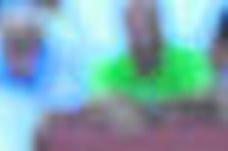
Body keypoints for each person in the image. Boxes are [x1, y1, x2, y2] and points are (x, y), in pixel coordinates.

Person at [0, 1, 88, 116]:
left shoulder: (66, 46)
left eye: (27, 35)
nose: (21, 38)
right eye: (14, 39)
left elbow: (69, 102)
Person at [86, 0, 214, 123]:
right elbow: (100, 105)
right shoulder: (108, 70)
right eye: (135, 26)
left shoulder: (190, 62)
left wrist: (148, 110)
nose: (142, 35)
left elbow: (204, 98)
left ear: (160, 24)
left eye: (148, 23)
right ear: (126, 27)